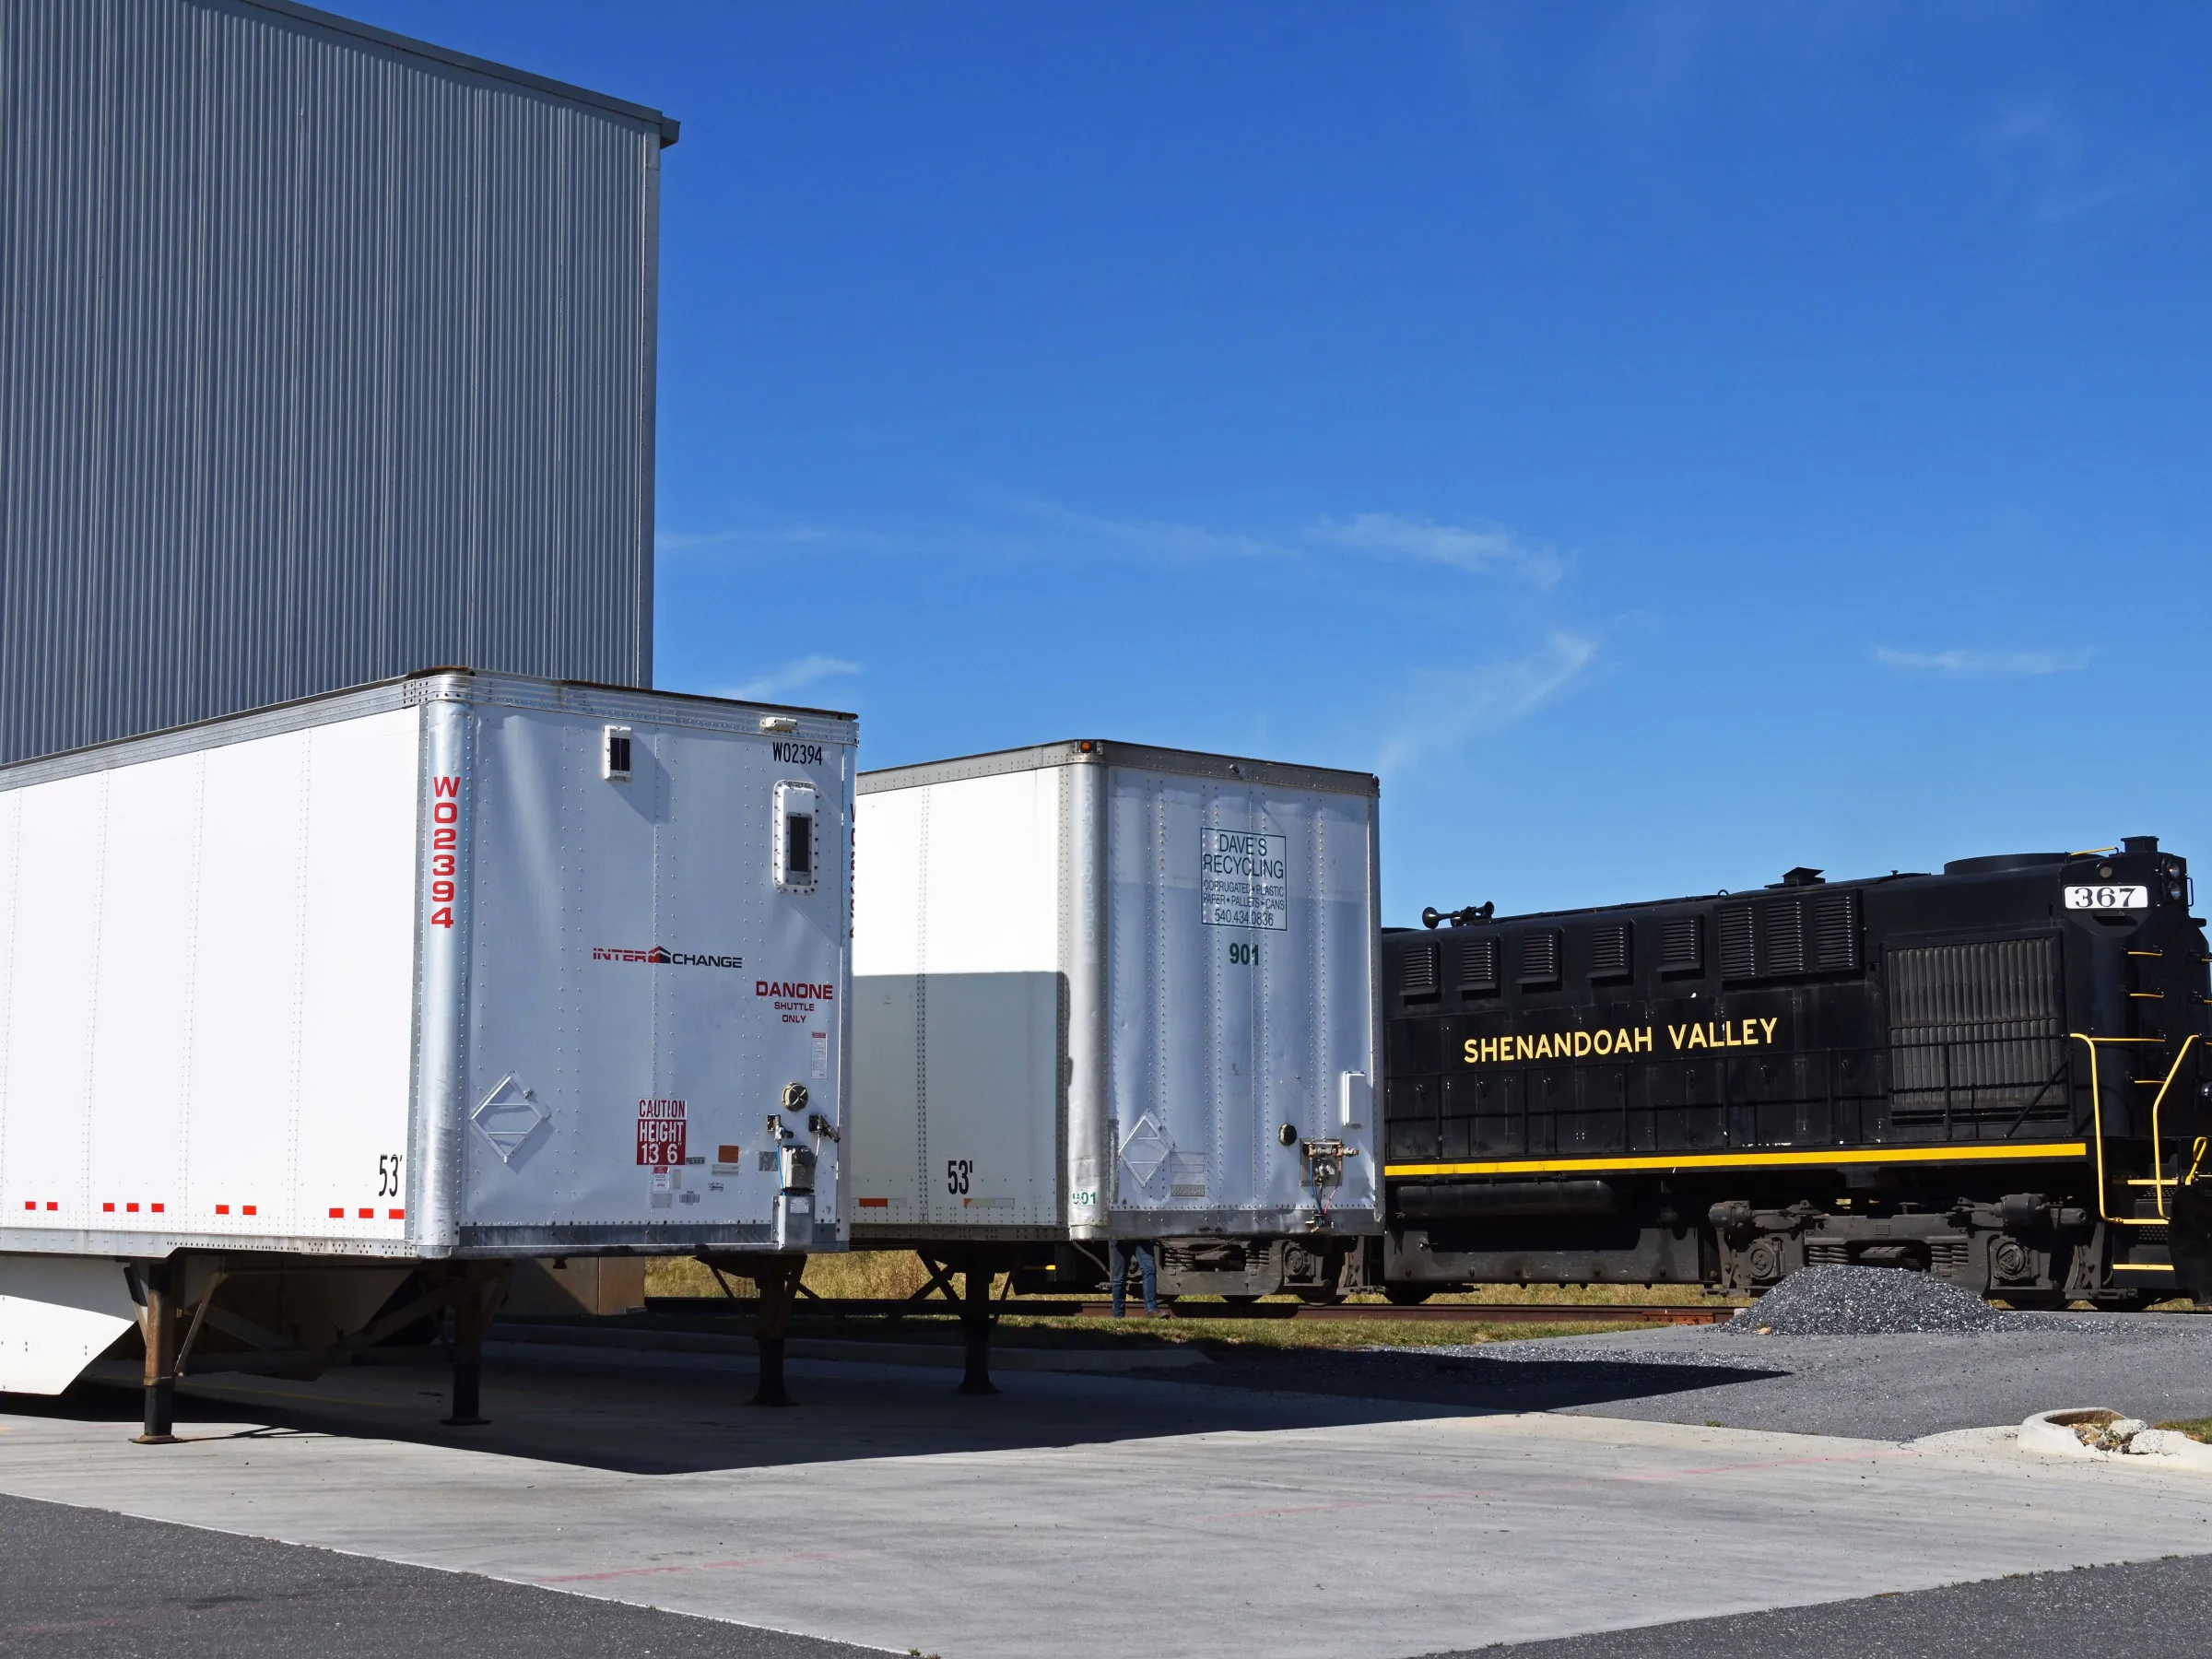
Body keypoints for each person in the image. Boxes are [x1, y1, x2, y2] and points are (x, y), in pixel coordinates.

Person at [1109, 1238, 1161, 1318]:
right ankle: (1118, 1314)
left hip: (1142, 1234)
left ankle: (1152, 1310)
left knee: (1149, 1269)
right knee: (1119, 1277)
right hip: (1121, 1236)